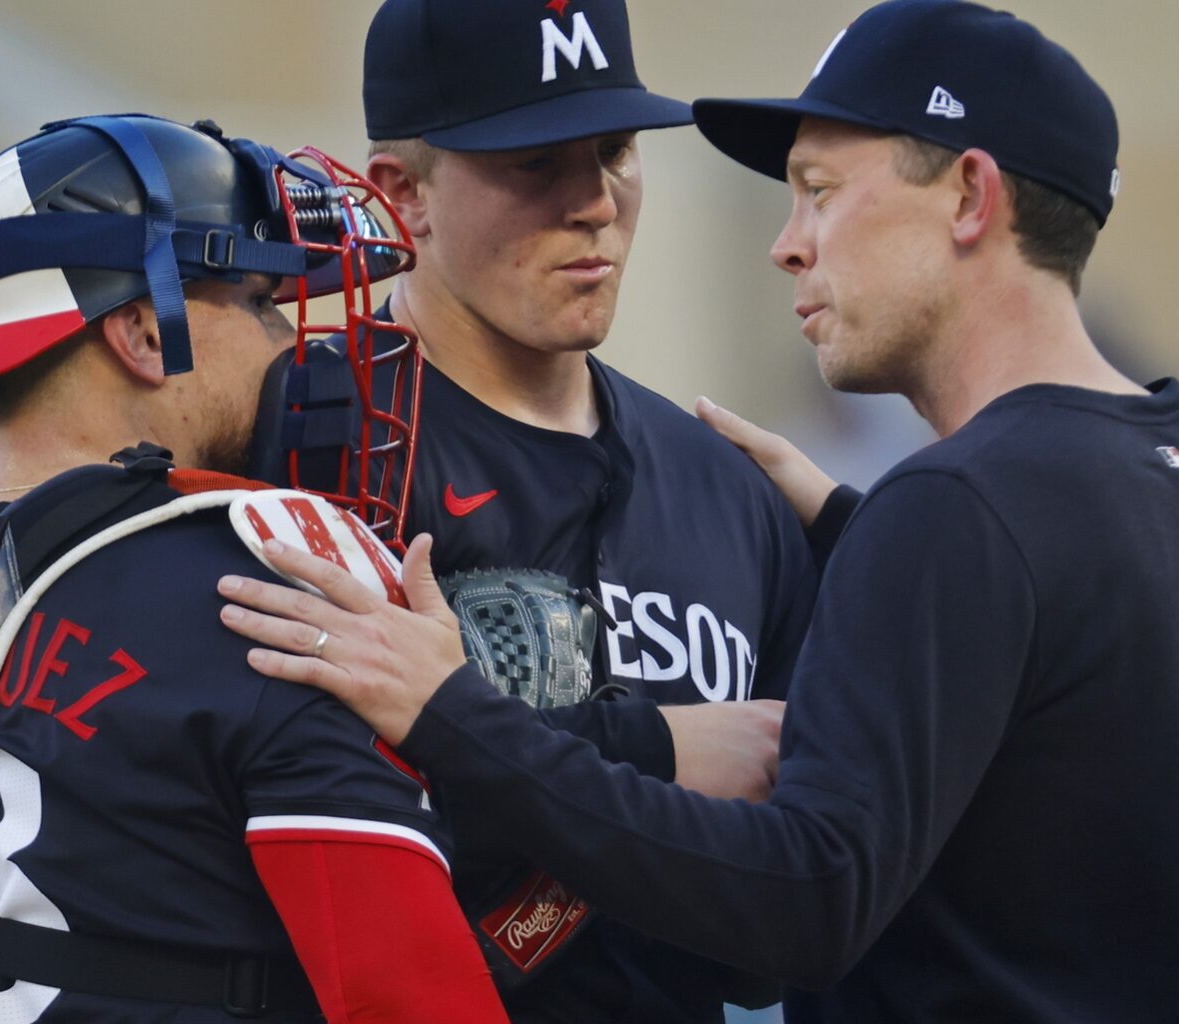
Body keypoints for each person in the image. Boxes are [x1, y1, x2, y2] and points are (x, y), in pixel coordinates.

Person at [217, 1, 1179, 1020]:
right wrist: (676, 721)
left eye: (820, 190)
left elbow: (800, 900)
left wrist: (457, 715)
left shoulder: (927, 509)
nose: (787, 241)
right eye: (533, 164)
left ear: (970, 197)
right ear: (404, 192)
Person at [0, 115, 507, 1024]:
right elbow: (414, 1000)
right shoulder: (277, 572)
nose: (287, 343)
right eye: (260, 303)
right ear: (145, 334)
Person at [245, 0, 816, 1020]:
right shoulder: (311, 431)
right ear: (401, 195)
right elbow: (277, 799)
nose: (594, 201)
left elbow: (783, 918)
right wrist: (659, 753)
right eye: (535, 163)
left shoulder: (729, 490)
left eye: (616, 151)